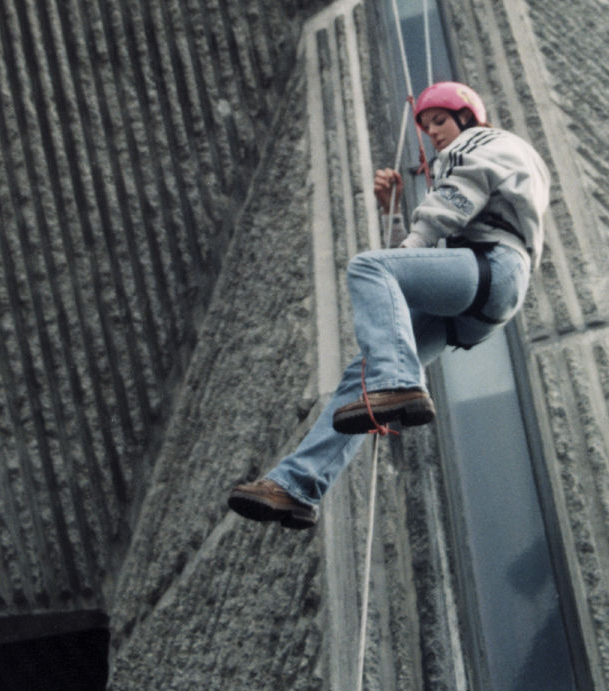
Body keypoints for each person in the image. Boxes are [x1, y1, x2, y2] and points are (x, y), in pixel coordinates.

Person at [227, 81, 550, 529]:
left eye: (439, 120)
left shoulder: (484, 142)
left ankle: (399, 382)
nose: (433, 132)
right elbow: (420, 274)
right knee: (362, 379)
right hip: (481, 288)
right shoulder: (479, 154)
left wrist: (410, 240)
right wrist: (395, 216)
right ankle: (297, 486)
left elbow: (458, 198)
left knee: (368, 269)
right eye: (426, 125)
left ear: (467, 116)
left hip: (495, 265)